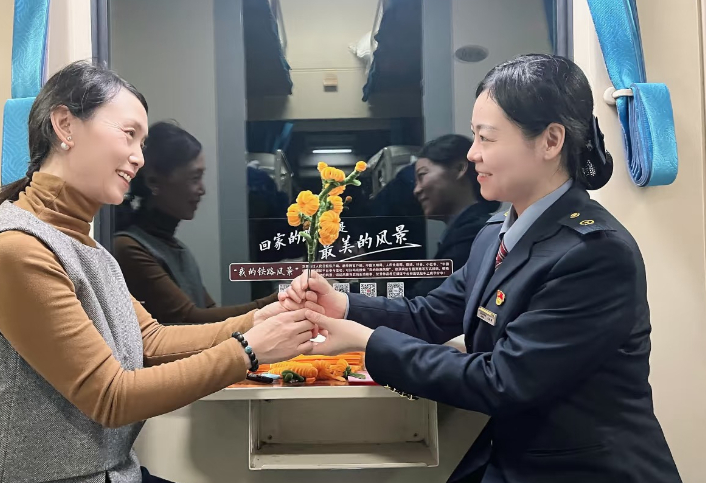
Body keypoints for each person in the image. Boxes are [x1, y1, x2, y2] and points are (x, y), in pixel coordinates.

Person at [284, 54, 682, 483]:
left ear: (550, 141)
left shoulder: (594, 255)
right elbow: (431, 314)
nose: (473, 153)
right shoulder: (496, 233)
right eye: (474, 136)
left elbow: (502, 380)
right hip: (513, 461)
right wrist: (342, 305)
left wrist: (366, 341)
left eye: (487, 138)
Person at [0, 61, 315, 483]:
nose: (139, 158)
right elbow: (110, 397)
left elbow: (151, 340)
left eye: (142, 143)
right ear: (65, 125)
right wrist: (248, 350)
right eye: (129, 135)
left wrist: (260, 319)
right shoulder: (15, 249)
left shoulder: (88, 248)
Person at [114, 121, 278, 325]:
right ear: (153, 182)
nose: (202, 190)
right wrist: (276, 302)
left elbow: (209, 314)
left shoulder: (177, 249)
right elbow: (190, 319)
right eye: (194, 178)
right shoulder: (129, 249)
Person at [410, 134, 501, 297]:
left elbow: (428, 299)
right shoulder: (465, 229)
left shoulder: (474, 233)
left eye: (422, 175)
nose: (416, 190)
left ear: (459, 169)